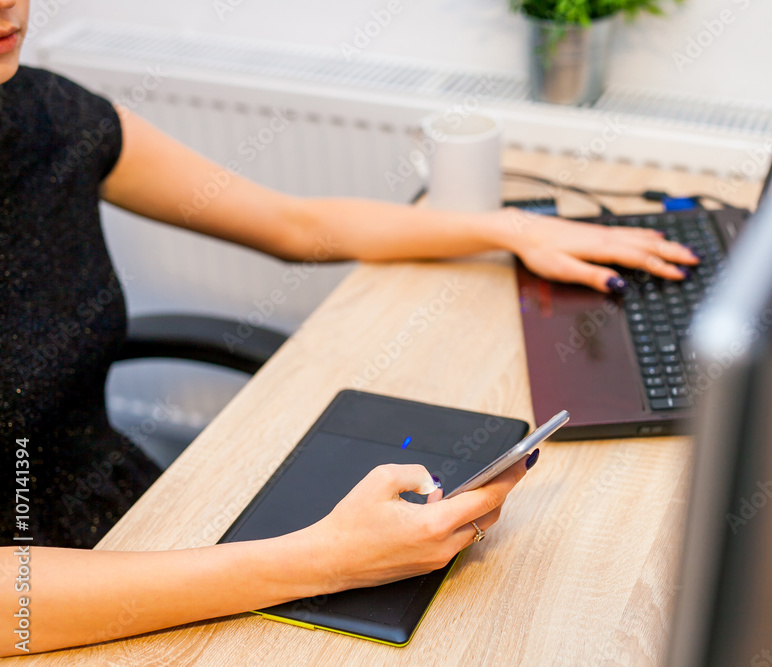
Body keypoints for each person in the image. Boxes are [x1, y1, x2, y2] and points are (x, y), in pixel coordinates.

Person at [0, 0, 699, 655]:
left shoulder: (47, 114)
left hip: (130, 518)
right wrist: (322, 559)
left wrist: (510, 227)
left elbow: (295, 225)